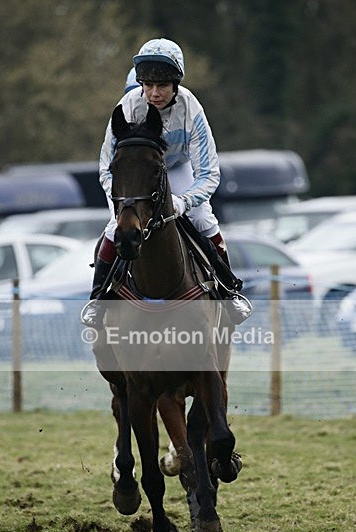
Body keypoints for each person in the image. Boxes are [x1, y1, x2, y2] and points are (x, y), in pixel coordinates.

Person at [81, 37, 251, 326]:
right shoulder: (127, 107)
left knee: (204, 220)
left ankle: (228, 290)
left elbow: (209, 173)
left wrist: (183, 201)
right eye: (147, 85)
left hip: (178, 170)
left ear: (176, 85)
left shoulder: (191, 108)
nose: (154, 93)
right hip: (136, 179)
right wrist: (124, 200)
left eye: (162, 86)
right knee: (115, 227)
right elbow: (106, 169)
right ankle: (98, 298)